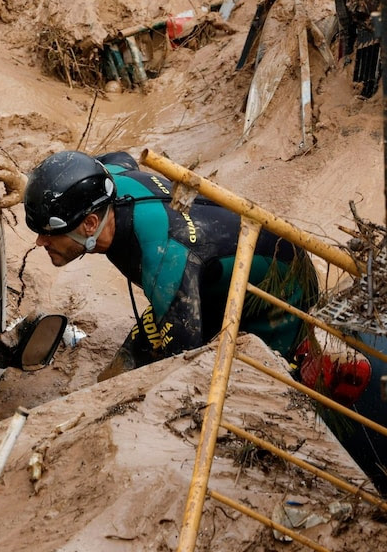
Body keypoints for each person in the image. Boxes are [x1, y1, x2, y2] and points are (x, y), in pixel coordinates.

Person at [22, 150, 335, 384]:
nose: (39, 242)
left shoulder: (164, 261)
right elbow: (113, 160)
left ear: (90, 224)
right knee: (115, 375)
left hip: (281, 294)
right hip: (211, 270)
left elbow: (181, 365)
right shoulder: (109, 180)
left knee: (259, 381)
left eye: (48, 234)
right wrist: (34, 194)